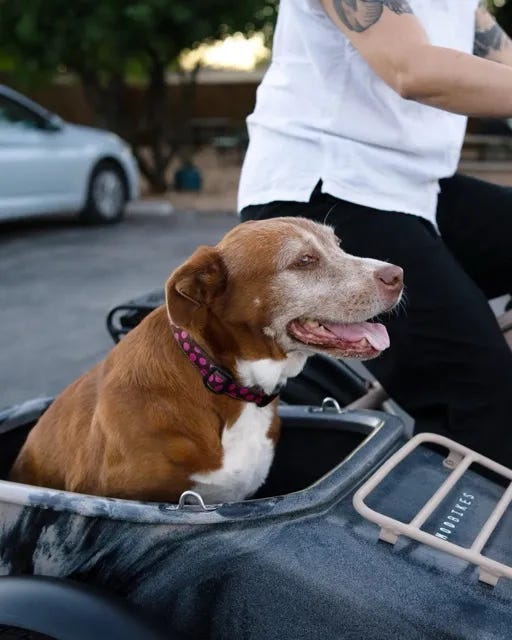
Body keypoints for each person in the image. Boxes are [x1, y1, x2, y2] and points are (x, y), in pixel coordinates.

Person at [238, 0, 512, 466]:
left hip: (417, 189)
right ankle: (450, 527)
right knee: (479, 391)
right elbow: (413, 70)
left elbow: (501, 60)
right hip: (326, 192)